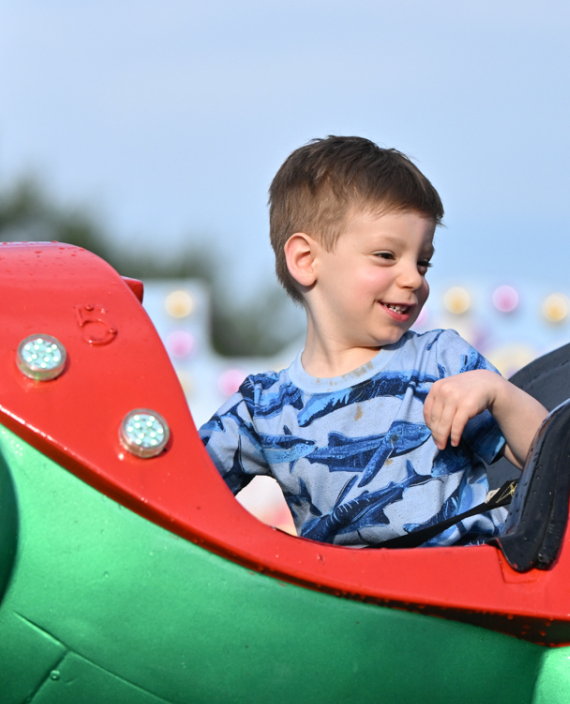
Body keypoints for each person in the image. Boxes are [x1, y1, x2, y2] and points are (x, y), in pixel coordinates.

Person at [199, 135, 547, 548]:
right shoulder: (264, 408)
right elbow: (181, 489)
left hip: (464, 577)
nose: (414, 278)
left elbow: (552, 460)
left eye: (422, 262)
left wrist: (499, 394)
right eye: (386, 256)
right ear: (306, 261)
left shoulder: (440, 362)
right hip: (339, 587)